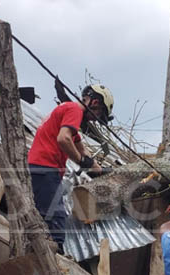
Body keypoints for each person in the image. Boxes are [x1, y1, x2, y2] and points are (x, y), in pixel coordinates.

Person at [27, 85, 112, 251]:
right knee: (56, 218)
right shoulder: (74, 110)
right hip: (45, 168)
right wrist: (81, 161)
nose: (96, 119)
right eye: (99, 113)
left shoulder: (67, 111)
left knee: (42, 216)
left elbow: (80, 146)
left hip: (40, 168)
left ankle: (39, 250)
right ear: (94, 102)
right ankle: (55, 260)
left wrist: (96, 168)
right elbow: (64, 140)